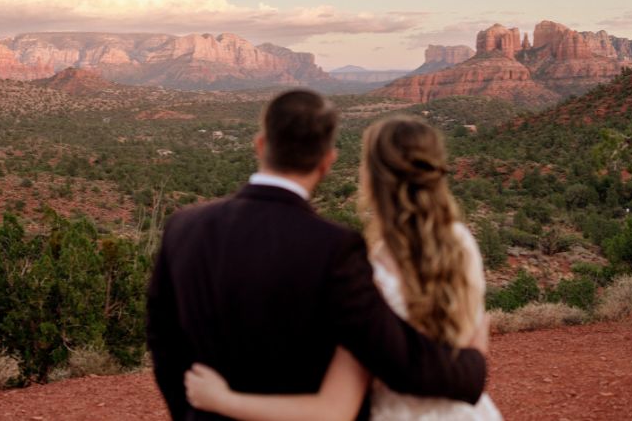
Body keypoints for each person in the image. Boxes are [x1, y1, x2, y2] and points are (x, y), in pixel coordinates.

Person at [146, 91, 488, 421]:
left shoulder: (183, 227)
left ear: (261, 144)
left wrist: (195, 412)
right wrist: (472, 367)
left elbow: (163, 344)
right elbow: (397, 356)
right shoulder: (334, 248)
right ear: (327, 161)